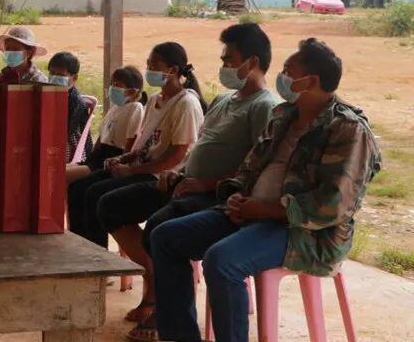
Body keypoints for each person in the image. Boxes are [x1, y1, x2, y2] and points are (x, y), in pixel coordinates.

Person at [151, 38, 382, 342]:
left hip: (305, 232)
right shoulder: (284, 115)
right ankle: (180, 337)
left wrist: (264, 210)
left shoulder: (347, 129)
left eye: (289, 72)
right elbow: (249, 169)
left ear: (311, 81)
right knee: (165, 237)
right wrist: (235, 195)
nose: (281, 77)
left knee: (222, 260)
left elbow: (332, 205)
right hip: (252, 214)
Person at [96, 24, 278, 341]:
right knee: (112, 204)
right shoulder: (223, 100)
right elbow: (199, 146)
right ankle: (167, 308)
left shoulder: (263, 106)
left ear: (252, 62)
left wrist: (203, 184)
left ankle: (167, 314)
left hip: (218, 195)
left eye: (229, 60)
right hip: (186, 184)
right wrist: (179, 174)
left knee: (161, 228)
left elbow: (254, 169)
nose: (224, 66)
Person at [67, 42, 205, 251]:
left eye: (154, 66)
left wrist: (131, 171)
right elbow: (147, 145)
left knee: (97, 195)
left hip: (160, 177)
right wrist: (124, 158)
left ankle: (98, 257)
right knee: (77, 188)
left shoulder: (186, 103)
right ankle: (83, 251)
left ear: (173, 70)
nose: (149, 70)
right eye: (148, 65)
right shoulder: (155, 100)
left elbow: (176, 157)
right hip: (142, 168)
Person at [66, 65, 147, 185]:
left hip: (110, 158)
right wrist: (89, 159)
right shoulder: (114, 108)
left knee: (63, 176)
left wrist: (120, 164)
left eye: (118, 85)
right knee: (57, 170)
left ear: (132, 91)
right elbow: (101, 139)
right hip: (97, 157)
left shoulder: (135, 108)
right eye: (112, 84)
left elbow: (131, 140)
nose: (113, 88)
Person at [48, 51, 94, 166]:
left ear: (75, 77)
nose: (55, 78)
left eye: (61, 75)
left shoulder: (76, 102)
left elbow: (67, 130)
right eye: (52, 73)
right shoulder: (49, 95)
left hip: (70, 148)